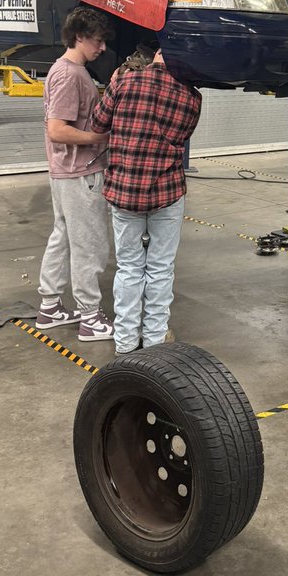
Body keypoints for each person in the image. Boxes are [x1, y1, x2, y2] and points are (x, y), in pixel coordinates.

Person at [90, 49, 201, 354]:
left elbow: (98, 125)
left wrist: (114, 84)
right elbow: (183, 136)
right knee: (161, 268)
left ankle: (125, 343)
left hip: (125, 191)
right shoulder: (192, 97)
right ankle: (154, 341)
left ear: (155, 55)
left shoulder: (124, 82)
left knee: (129, 268)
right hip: (166, 191)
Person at [36, 6, 115, 342]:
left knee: (64, 237)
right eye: (97, 41)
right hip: (80, 173)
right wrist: (100, 138)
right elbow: (58, 130)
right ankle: (90, 318)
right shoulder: (70, 75)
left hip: (63, 172)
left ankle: (50, 308)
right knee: (90, 246)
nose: (103, 48)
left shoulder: (62, 69)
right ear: (80, 36)